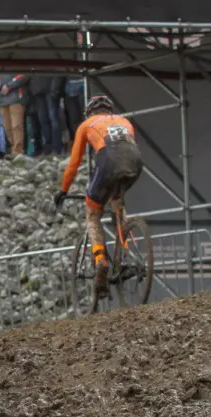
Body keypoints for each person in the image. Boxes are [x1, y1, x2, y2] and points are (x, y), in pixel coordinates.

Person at [54, 94, 143, 296]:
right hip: (135, 161)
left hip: (108, 161)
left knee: (93, 213)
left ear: (90, 112)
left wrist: (63, 190)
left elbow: (74, 163)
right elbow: (126, 148)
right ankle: (127, 256)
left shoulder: (87, 124)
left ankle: (100, 260)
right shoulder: (124, 121)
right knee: (118, 205)